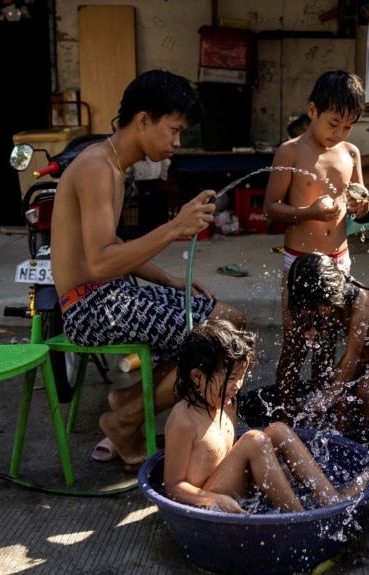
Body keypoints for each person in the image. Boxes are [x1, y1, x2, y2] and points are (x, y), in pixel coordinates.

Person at [50, 69, 246, 471]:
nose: (177, 143)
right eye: (173, 131)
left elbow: (113, 248)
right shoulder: (96, 168)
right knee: (216, 343)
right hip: (89, 307)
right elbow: (102, 261)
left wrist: (170, 280)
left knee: (229, 318)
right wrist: (175, 227)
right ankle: (125, 420)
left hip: (108, 294)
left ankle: (129, 402)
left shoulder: (114, 165)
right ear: (142, 120)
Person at [163, 320, 369, 513]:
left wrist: (271, 469)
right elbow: (173, 488)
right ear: (197, 377)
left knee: (278, 430)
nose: (237, 386)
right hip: (209, 504)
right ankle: (300, 517)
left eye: (241, 377)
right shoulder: (184, 419)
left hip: (231, 488)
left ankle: (332, 501)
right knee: (254, 440)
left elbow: (229, 457)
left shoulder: (227, 403)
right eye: (231, 378)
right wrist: (215, 499)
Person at [264, 70, 369, 423]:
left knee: (328, 345)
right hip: (301, 263)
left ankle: (319, 417)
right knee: (295, 344)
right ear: (312, 111)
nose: (338, 133)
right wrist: (308, 212)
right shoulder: (291, 152)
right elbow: (270, 209)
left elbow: (359, 197)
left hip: (338, 261)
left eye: (347, 126)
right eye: (333, 123)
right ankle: (282, 421)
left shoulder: (351, 153)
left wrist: (362, 206)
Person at [285, 252, 369, 430]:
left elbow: (352, 355)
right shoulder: (332, 301)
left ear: (329, 295)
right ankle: (344, 430)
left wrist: (332, 393)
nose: (314, 312)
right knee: (337, 382)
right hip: (365, 348)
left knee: (364, 392)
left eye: (315, 308)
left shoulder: (361, 304)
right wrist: (316, 330)